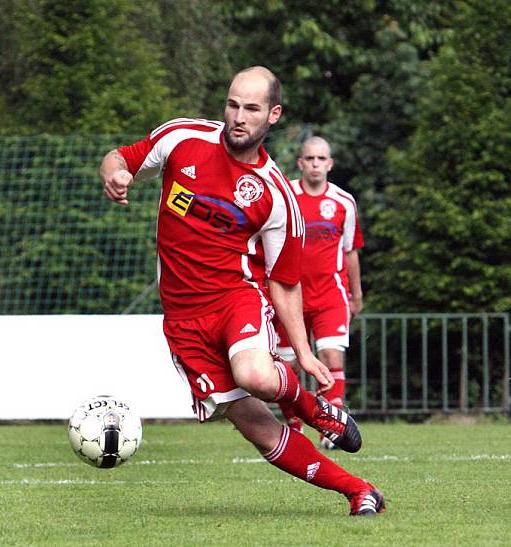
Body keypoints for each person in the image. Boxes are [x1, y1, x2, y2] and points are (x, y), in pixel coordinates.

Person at [99, 66, 385, 516]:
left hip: (236, 298)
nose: (238, 116)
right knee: (258, 428)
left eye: (251, 108)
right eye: (233, 104)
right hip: (182, 319)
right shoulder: (183, 138)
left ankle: (313, 407)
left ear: (272, 115)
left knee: (255, 375)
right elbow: (121, 157)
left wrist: (304, 352)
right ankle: (359, 490)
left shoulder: (275, 195)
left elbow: (283, 282)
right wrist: (115, 175)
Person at [275, 137, 364, 450]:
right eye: (309, 158)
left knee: (331, 356)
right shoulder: (285, 196)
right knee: (288, 366)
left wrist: (357, 293)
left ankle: (331, 428)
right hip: (289, 295)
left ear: (330, 163)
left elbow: (350, 250)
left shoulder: (344, 202)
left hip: (330, 294)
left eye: (320, 158)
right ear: (300, 163)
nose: (315, 164)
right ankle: (295, 426)